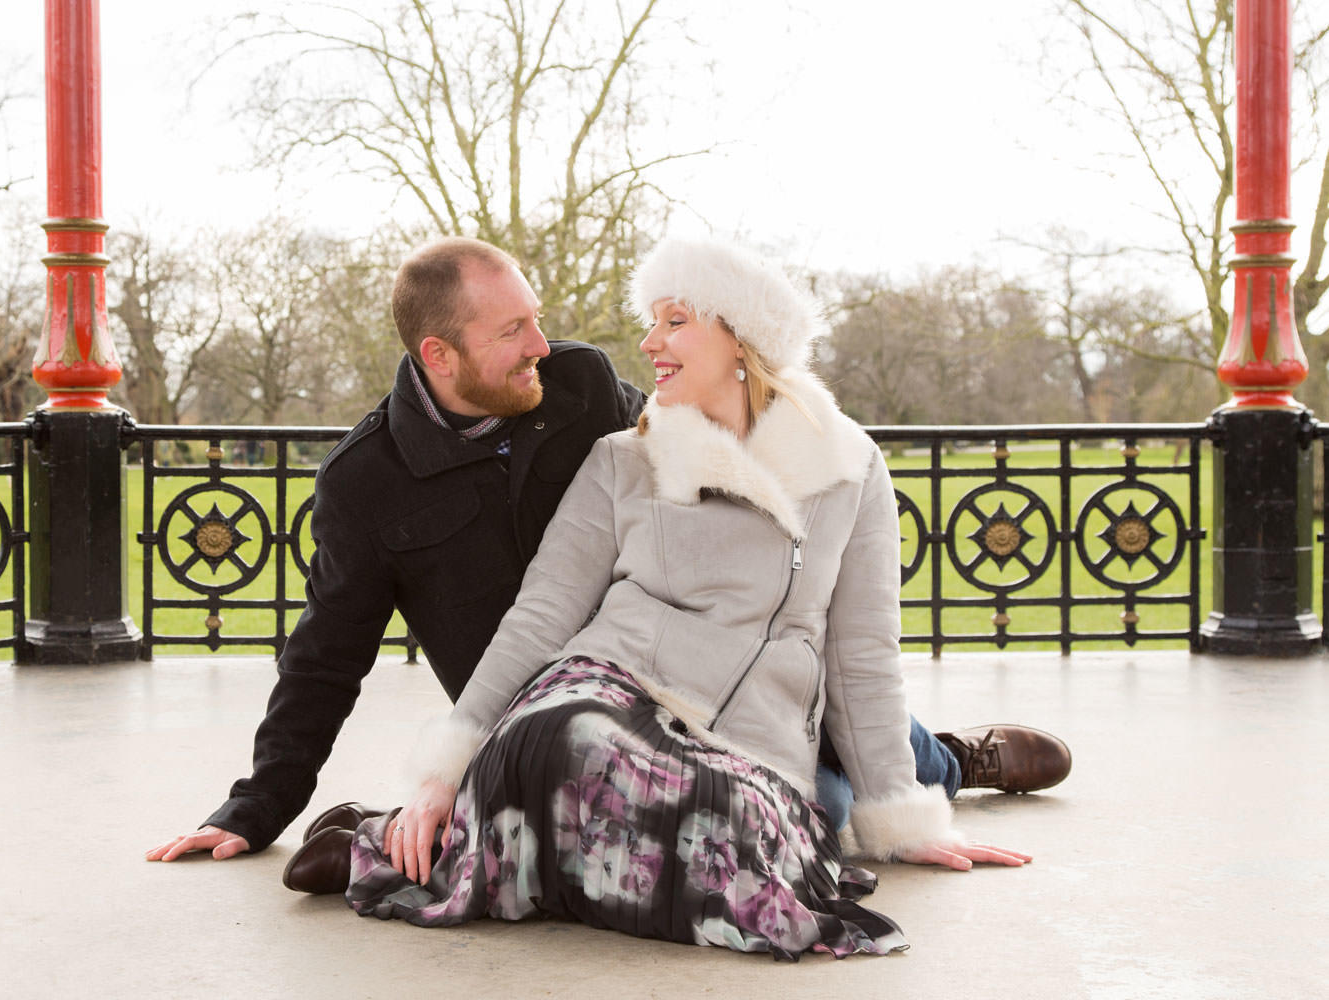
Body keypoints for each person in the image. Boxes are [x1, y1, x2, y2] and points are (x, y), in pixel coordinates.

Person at [145, 236, 1069, 872]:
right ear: (439, 353)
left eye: (535, 320)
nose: (542, 346)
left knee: (826, 744)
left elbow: (695, 437)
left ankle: (946, 760)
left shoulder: (579, 386)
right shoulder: (364, 484)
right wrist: (256, 807)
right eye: (512, 333)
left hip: (714, 676)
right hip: (546, 714)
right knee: (783, 810)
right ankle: (409, 823)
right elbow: (325, 656)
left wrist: (802, 476)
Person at [343, 237, 1035, 960]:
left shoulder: (849, 468)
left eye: (674, 321)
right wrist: (442, 769)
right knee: (564, 735)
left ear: (742, 339)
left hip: (752, 743)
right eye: (653, 321)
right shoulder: (622, 458)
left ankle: (452, 838)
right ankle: (430, 823)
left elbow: (861, 653)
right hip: (608, 696)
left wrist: (906, 822)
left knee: (759, 821)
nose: (649, 341)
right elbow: (541, 617)